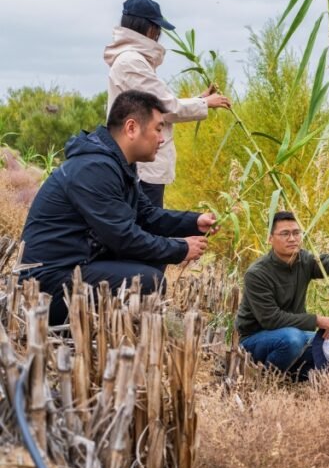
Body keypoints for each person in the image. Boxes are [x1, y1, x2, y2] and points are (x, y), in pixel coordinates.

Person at [19, 90, 217, 326]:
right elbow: (123, 237)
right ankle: (79, 333)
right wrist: (180, 249)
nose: (162, 138)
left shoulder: (117, 164)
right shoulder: (94, 168)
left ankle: (110, 330)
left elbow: (147, 215)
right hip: (47, 284)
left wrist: (194, 222)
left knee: (152, 264)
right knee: (149, 281)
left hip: (77, 265)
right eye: (158, 128)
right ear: (131, 128)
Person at [104, 0, 231, 207]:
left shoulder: (133, 60)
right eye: (157, 29)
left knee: (145, 225)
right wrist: (206, 104)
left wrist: (200, 99)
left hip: (141, 160)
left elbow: (157, 103)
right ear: (149, 29)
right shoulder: (132, 62)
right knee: (148, 225)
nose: (158, 36)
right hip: (142, 164)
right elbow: (165, 107)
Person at [236, 211, 329, 375]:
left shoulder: (303, 260)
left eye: (296, 233)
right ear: (270, 239)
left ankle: (294, 375)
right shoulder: (257, 274)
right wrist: (315, 320)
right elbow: (271, 319)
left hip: (294, 332)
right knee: (293, 340)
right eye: (285, 234)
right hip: (255, 339)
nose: (292, 239)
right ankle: (267, 378)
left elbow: (328, 264)